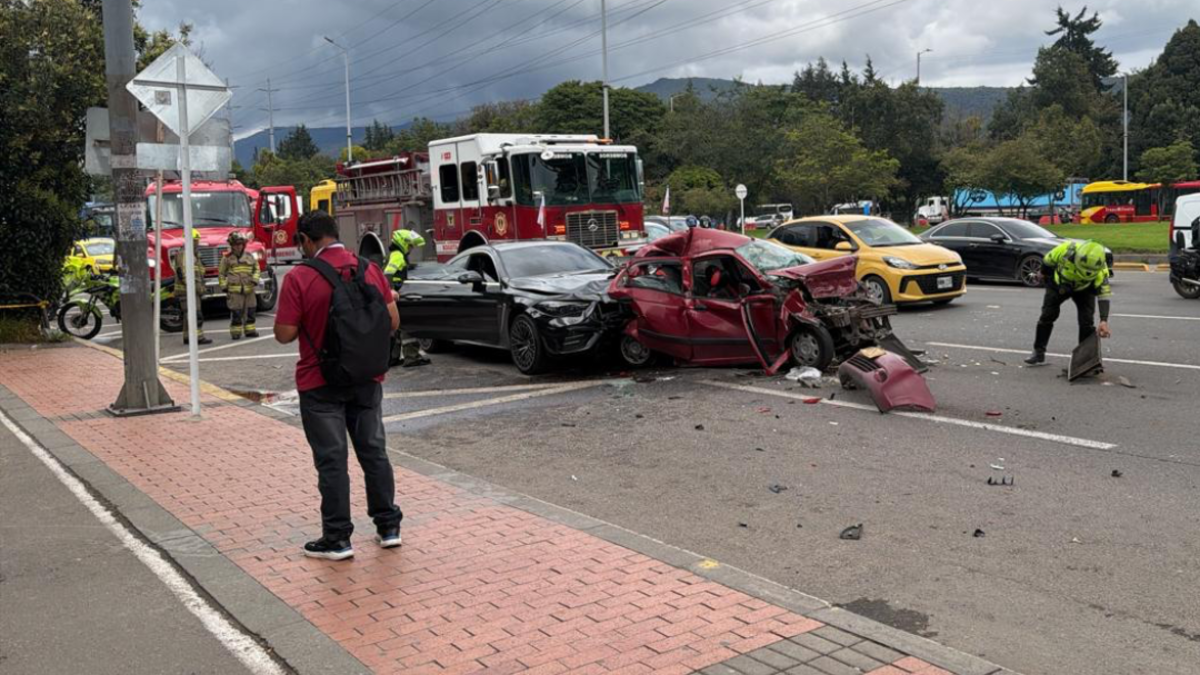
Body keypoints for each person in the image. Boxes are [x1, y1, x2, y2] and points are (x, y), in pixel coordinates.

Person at [273, 210, 404, 561]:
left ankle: (337, 539)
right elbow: (393, 321)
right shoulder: (369, 269)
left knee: (332, 461)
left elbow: (284, 334)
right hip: (367, 379)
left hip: (320, 383)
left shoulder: (300, 277)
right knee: (374, 452)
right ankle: (388, 527)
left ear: (306, 240)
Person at [1025, 240, 1112, 366]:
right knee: (1047, 316)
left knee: (1086, 322)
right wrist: (1043, 274)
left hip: (1084, 290)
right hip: (1058, 285)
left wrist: (1104, 320)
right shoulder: (1065, 251)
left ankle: (1084, 360)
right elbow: (1047, 262)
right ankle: (1038, 353)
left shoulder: (1102, 271)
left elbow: (1104, 295)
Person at [382, 227, 430, 368]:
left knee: (397, 328)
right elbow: (388, 273)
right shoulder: (397, 255)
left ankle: (393, 358)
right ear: (402, 243)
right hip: (396, 294)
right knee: (407, 325)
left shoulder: (395, 254)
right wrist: (391, 290)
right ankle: (411, 357)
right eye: (409, 245)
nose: (410, 249)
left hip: (395, 295)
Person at [218, 231, 260, 340]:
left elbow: (257, 269)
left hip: (249, 290)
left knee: (250, 311)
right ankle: (236, 333)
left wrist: (255, 280)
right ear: (231, 245)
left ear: (244, 244)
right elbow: (221, 274)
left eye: (240, 244)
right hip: (235, 292)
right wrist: (224, 287)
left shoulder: (250, 256)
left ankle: (250, 330)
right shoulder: (226, 258)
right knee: (236, 313)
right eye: (236, 244)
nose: (238, 247)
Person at [174, 229, 211, 345]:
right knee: (195, 314)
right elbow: (184, 273)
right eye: (195, 241)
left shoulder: (192, 255)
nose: (197, 243)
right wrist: (193, 287)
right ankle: (197, 337)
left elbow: (199, 272)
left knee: (188, 314)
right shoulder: (185, 254)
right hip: (188, 290)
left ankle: (188, 336)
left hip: (191, 289)